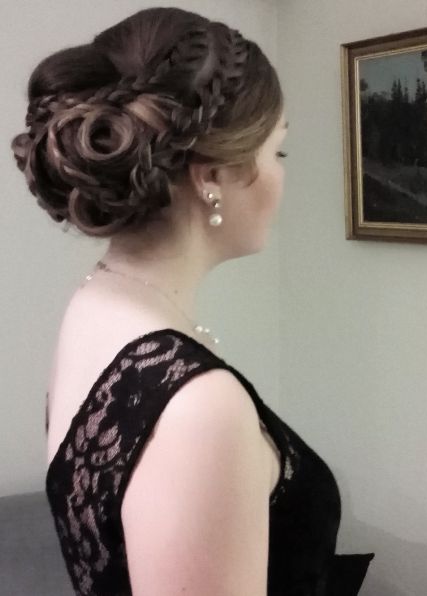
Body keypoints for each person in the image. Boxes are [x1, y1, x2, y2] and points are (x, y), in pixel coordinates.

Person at [11, 7, 373, 596]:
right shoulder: (198, 411)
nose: (282, 176)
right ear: (212, 176)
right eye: (277, 152)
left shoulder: (95, 305)